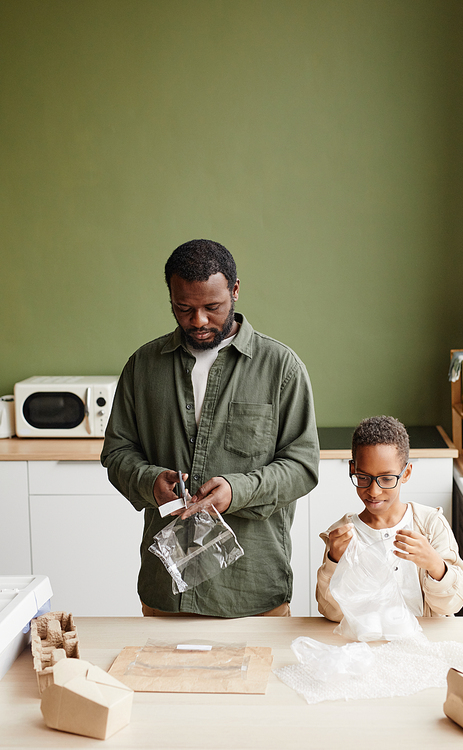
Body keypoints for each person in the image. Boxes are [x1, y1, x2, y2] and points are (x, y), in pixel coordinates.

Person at [102, 238, 320, 617]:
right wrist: (149, 481)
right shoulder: (143, 366)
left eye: (212, 307)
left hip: (251, 591)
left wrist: (237, 490)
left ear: (235, 291)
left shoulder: (281, 368)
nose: (198, 321)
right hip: (165, 591)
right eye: (183, 308)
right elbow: (117, 453)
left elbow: (303, 467)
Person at [316, 415, 463, 619]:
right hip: (365, 644)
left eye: (386, 478)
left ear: (406, 474)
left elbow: (452, 605)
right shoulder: (342, 535)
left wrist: (435, 565)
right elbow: (331, 613)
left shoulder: (430, 525)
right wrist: (334, 561)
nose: (374, 491)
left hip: (423, 644)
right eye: (363, 477)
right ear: (352, 469)